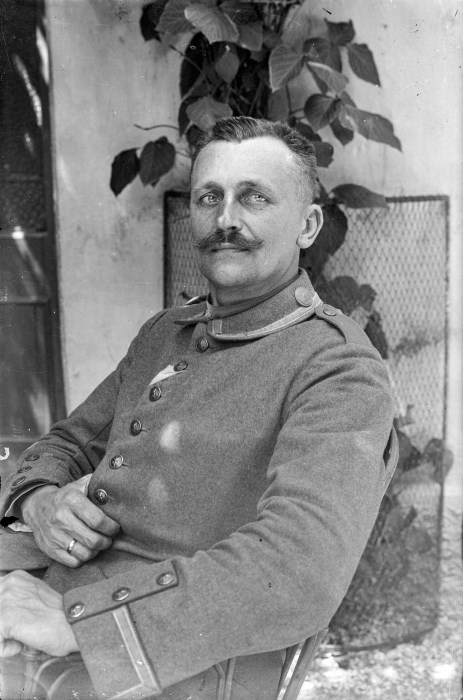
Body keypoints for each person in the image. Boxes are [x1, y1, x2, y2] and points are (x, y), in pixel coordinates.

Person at [0, 117, 396, 699]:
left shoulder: (337, 368)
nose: (226, 219)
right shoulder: (165, 332)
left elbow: (299, 570)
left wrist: (84, 625)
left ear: (309, 225)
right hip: (35, 594)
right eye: (209, 197)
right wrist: (39, 504)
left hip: (162, 665)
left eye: (254, 197)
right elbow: (66, 443)